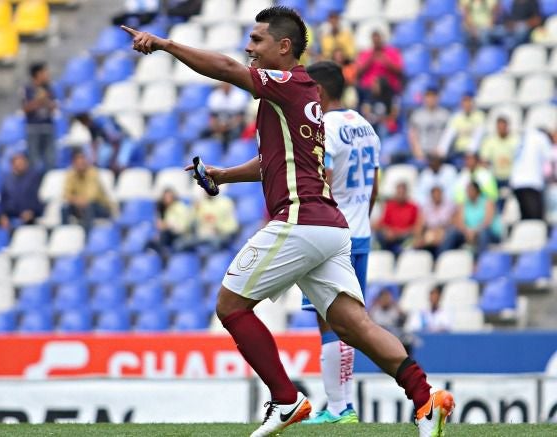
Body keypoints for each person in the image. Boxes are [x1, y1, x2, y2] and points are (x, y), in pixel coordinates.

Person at [122, 7, 453, 436]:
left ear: (283, 47)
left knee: (230, 305)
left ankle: (285, 399)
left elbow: (227, 69)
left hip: (300, 219)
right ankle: (426, 397)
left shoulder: (286, 83)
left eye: (257, 40)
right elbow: (273, 161)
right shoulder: (304, 93)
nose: (248, 47)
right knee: (355, 326)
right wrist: (224, 174)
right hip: (332, 227)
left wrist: (166, 44)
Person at [300, 61, 380, 425]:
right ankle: (340, 403)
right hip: (360, 232)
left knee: (329, 321)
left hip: (333, 236)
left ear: (318, 90)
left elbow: (324, 176)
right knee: (346, 322)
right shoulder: (365, 126)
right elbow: (373, 185)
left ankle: (338, 406)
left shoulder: (325, 127)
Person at [440, 181, 501, 254]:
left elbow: (487, 222)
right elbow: (460, 222)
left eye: (471, 190)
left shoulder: (487, 202)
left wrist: (475, 231)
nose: (469, 193)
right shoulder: (464, 204)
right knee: (452, 232)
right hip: (468, 233)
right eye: (467, 191)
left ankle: (480, 261)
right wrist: (467, 231)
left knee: (483, 233)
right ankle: (442, 256)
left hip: (488, 233)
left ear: (477, 191)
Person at [0, 152, 44, 231]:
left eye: (22, 162)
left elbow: (39, 198)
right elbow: (2, 200)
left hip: (30, 213)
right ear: (12, 165)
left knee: (29, 221)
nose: (20, 165)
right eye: (17, 163)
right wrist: (2, 215)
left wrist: (32, 211)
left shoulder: (34, 177)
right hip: (11, 213)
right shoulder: (7, 180)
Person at [61, 151, 112, 231]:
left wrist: (76, 200)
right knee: (64, 208)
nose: (81, 164)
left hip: (100, 207)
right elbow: (65, 194)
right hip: (79, 205)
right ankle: (65, 234)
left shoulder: (93, 172)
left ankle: (87, 236)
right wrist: (76, 201)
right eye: (78, 162)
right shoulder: (71, 173)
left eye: (83, 161)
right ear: (74, 163)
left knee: (88, 207)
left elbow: (91, 196)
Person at [509, 128, 552, 220]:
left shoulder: (524, 137)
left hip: (516, 182)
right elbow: (550, 161)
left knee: (525, 217)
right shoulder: (542, 138)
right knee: (536, 219)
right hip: (532, 182)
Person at [22, 63, 57, 170]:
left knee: (50, 160)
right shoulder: (27, 90)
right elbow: (25, 109)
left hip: (48, 127)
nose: (47, 75)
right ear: (38, 74)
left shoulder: (49, 89)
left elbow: (54, 107)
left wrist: (46, 100)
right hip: (33, 128)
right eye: (44, 72)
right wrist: (38, 101)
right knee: (34, 160)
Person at [373, 182, 421, 255]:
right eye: (399, 192)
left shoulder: (413, 207)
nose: (400, 195)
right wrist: (387, 231)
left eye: (402, 192)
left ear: (406, 193)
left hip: (405, 237)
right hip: (390, 238)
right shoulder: (390, 206)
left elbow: (416, 227)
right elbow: (382, 224)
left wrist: (400, 233)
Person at [438, 94, 485, 165]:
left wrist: (471, 152)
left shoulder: (479, 116)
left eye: (469, 102)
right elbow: (448, 135)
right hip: (459, 152)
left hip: (474, 152)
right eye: (465, 102)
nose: (467, 105)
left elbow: (478, 137)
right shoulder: (456, 117)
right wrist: (441, 150)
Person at [355, 31, 404, 99]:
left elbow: (399, 70)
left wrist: (386, 61)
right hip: (369, 88)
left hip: (389, 87)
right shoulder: (366, 53)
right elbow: (358, 71)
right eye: (374, 39)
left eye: (378, 39)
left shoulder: (392, 52)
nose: (376, 41)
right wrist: (370, 60)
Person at [408, 88, 451, 162]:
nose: (431, 99)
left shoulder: (445, 115)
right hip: (423, 152)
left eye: (433, 96)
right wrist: (417, 151)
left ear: (437, 97)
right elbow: (412, 134)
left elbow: (449, 134)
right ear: (424, 98)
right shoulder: (417, 115)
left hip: (440, 154)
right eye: (428, 96)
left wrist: (442, 149)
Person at [480, 116, 518, 189]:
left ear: (507, 127)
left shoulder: (515, 140)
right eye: (499, 127)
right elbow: (484, 159)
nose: (501, 129)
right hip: (495, 177)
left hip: (512, 177)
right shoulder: (490, 141)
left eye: (503, 127)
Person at [416, 186, 456, 256]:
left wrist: (439, 232)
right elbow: (421, 224)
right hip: (429, 232)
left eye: (438, 194)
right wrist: (419, 237)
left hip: (444, 231)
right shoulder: (426, 207)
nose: (437, 196)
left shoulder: (449, 206)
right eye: (435, 194)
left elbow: (453, 222)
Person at [207, 82, 250, 147]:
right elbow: (212, 116)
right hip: (219, 123)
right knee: (204, 133)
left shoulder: (239, 95)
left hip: (234, 124)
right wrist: (216, 127)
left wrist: (227, 126)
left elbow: (240, 117)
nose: (225, 86)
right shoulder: (215, 95)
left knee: (234, 133)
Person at [153, 188, 192, 253]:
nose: (167, 200)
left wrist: (168, 225)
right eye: (165, 198)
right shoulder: (167, 210)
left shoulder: (180, 207)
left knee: (165, 235)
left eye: (169, 197)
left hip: (180, 236)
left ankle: (163, 252)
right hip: (170, 236)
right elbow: (161, 225)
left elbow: (182, 227)